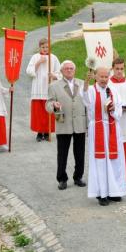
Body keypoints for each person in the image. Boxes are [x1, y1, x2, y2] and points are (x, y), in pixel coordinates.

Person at [84, 67, 126, 206]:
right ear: (95, 76)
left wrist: (114, 109)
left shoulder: (113, 90)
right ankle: (102, 194)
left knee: (115, 160)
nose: (103, 79)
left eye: (106, 77)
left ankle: (115, 192)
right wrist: (85, 83)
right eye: (101, 76)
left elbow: (119, 109)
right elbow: (85, 100)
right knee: (100, 162)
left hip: (112, 127)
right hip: (98, 128)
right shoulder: (91, 90)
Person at [46, 60, 87, 190]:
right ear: (62, 71)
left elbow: (88, 101)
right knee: (62, 153)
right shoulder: (54, 86)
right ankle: (62, 179)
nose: (69, 70)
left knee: (80, 153)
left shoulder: (82, 84)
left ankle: (78, 177)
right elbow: (48, 104)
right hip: (63, 124)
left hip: (80, 123)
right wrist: (53, 105)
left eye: (71, 68)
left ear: (74, 70)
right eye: (67, 69)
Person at [25, 38, 61, 141]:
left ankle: (47, 131)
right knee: (39, 112)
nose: (45, 49)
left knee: (48, 110)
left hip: (49, 88)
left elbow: (59, 72)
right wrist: (39, 62)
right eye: (43, 47)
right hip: (38, 88)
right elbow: (29, 71)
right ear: (39, 47)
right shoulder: (35, 57)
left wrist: (54, 75)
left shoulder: (53, 58)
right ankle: (39, 132)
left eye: (47, 47)